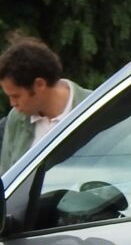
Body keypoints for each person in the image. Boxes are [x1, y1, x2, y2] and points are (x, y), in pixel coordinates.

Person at [0, 34, 91, 172]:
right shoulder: (17, 119)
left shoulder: (95, 108)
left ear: (40, 84)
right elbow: (7, 178)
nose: (12, 103)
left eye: (16, 96)